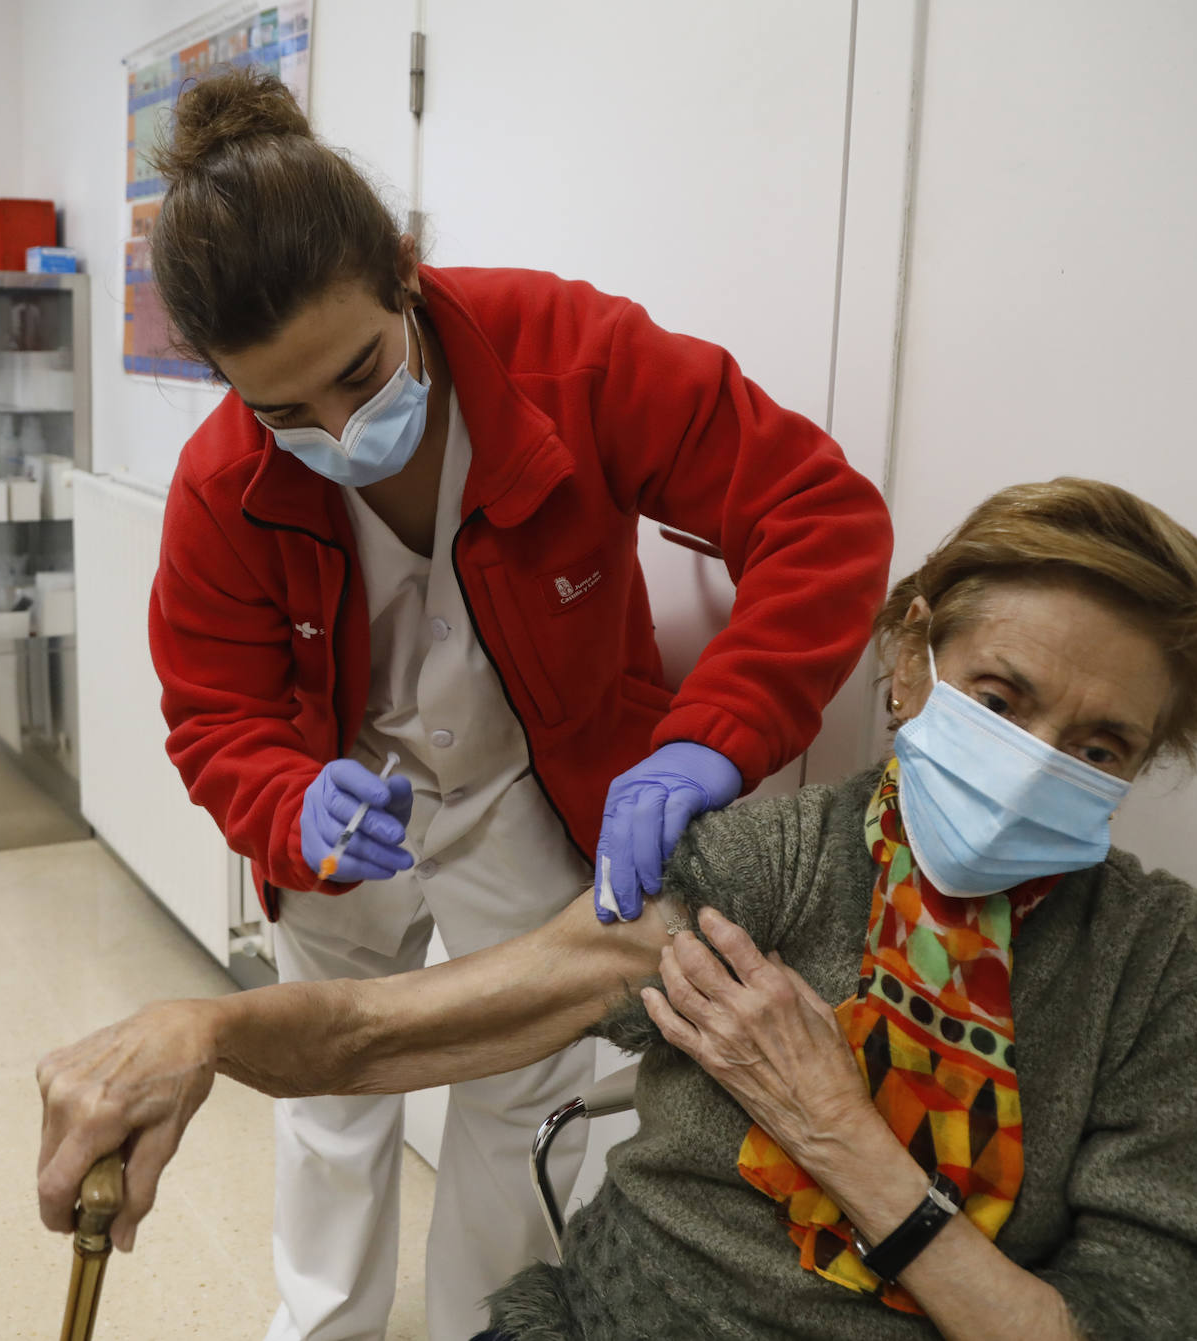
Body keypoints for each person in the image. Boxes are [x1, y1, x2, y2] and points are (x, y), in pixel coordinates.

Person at [40, 477, 1197, 1339]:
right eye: (1001, 699)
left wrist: (844, 1139)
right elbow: (398, 1027)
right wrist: (198, 1029)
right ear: (908, 661)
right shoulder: (783, 862)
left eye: (1101, 745)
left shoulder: (1163, 979)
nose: (1037, 760)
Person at [141, 67, 890, 1341]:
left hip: (525, 799)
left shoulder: (573, 356)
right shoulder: (221, 482)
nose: (339, 426)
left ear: (406, 266)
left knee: (513, 1087)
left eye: (362, 374)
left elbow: (818, 514)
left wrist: (713, 736)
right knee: (330, 1093)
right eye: (285, 411)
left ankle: (488, 1327)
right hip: (350, 825)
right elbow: (213, 710)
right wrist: (284, 797)